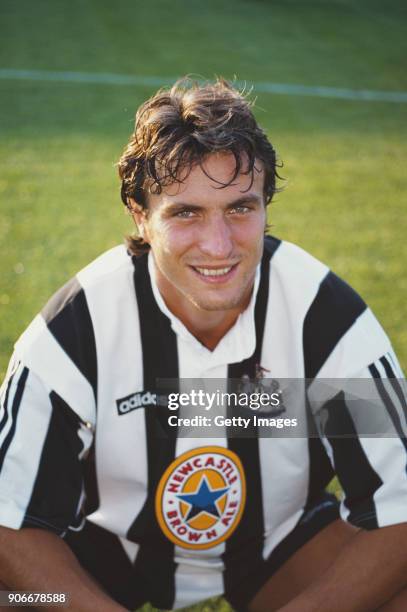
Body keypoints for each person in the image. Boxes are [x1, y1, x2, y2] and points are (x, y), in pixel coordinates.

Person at [0, 78, 406, 612]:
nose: (219, 246)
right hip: (106, 548)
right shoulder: (74, 332)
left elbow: (399, 507)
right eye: (185, 212)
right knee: (22, 595)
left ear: (266, 205)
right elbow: (9, 522)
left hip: (280, 544)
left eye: (240, 208)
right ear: (140, 216)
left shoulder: (325, 319)